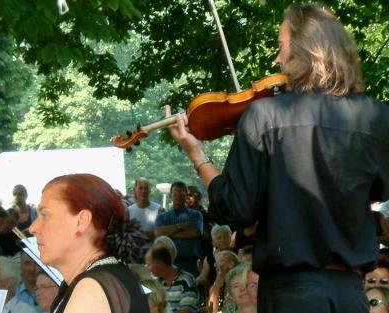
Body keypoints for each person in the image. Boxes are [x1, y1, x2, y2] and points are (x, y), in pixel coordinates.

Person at [166, 3, 389, 312]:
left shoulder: (265, 116)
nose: (277, 58)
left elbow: (235, 208)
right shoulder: (376, 117)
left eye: (281, 46)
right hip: (350, 295)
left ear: (305, 48)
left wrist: (198, 156)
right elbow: (378, 191)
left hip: (291, 295)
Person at [29, 173, 150, 313]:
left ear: (81, 221)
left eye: (45, 215)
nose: (33, 228)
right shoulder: (101, 278)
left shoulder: (92, 289)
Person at [155, 181, 203, 277]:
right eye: (175, 192)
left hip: (190, 263)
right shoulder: (163, 217)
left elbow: (195, 233)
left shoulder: (195, 214)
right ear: (170, 195)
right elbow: (158, 233)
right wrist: (180, 226)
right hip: (168, 263)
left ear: (186, 195)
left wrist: (167, 233)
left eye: (182, 192)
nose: (179, 195)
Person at [145, 246, 199, 313]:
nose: (147, 268)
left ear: (160, 264)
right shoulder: (158, 283)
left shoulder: (186, 280)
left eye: (149, 264)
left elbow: (187, 310)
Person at [128, 178, 162, 248]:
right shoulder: (128, 211)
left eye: (146, 188)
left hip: (153, 254)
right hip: (134, 254)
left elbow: (162, 233)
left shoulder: (159, 209)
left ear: (149, 191)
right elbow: (127, 236)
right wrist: (150, 234)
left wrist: (137, 235)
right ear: (134, 190)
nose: (143, 191)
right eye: (140, 188)